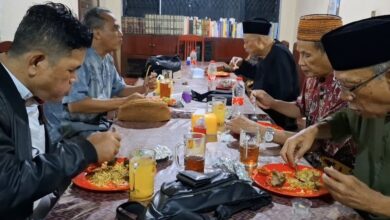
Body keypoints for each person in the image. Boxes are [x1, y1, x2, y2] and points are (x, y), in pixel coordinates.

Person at [0, 3, 120, 219]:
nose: (74, 79)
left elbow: (41, 156)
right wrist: (86, 150)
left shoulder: (31, 91)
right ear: (36, 62)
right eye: (71, 69)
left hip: (46, 204)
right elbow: (8, 185)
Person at [281, 15, 390, 219]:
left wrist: (378, 204)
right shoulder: (366, 107)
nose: (342, 96)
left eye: (350, 86)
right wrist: (312, 130)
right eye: (340, 85)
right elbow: (343, 120)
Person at [227, 15, 356, 172]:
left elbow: (313, 142)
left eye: (307, 55)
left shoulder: (346, 87)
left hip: (330, 171)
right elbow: (300, 108)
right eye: (300, 54)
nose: (300, 62)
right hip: (304, 158)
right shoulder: (313, 78)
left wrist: (259, 131)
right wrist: (273, 102)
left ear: (331, 52)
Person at [60, 7, 157, 138]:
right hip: (76, 131)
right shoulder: (81, 59)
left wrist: (143, 87)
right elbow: (76, 104)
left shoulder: (107, 59)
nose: (121, 33)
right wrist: (125, 101)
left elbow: (120, 88)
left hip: (99, 124)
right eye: (115, 28)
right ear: (97, 33)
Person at [228, 18, 300, 130]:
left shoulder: (279, 55)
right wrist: (242, 64)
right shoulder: (267, 51)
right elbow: (258, 73)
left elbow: (285, 94)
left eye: (246, 42)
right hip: (262, 111)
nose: (244, 46)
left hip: (278, 122)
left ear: (260, 41)